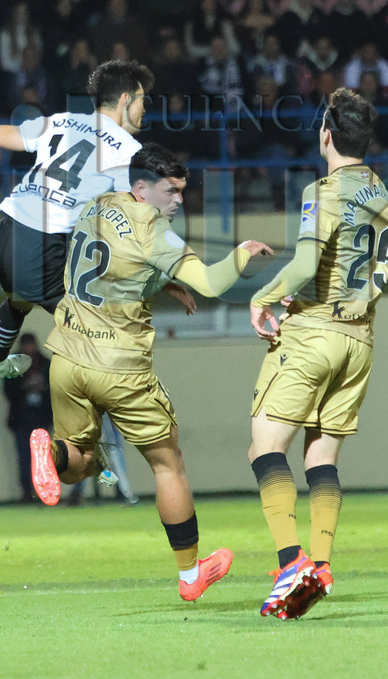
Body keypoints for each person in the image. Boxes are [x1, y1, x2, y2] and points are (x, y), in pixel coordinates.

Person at [28, 143, 274, 599]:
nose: (178, 200)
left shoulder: (98, 204)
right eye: (170, 191)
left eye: (182, 191)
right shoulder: (156, 232)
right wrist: (241, 254)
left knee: (79, 464)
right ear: (141, 189)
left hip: (65, 356)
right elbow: (214, 284)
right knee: (168, 464)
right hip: (119, 368)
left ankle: (51, 453)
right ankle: (189, 574)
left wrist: (164, 282)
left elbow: (116, 264)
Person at [0, 60, 195, 391]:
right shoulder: (128, 152)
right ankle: (102, 432)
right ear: (125, 100)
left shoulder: (62, 121)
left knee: (20, 300)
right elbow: (142, 224)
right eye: (142, 101)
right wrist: (166, 276)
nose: (144, 110)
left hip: (3, 237)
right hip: (39, 247)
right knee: (98, 332)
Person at [246, 87, 388, 620]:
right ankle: (322, 566)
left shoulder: (324, 189)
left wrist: (264, 295)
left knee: (264, 447)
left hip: (314, 334)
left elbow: (308, 265)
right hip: (360, 339)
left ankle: (291, 563)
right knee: (321, 456)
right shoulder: (380, 191)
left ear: (325, 134)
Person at [4, 333, 51, 501]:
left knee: (42, 458)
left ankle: (44, 491)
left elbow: (54, 387)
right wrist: (25, 387)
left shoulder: (45, 364)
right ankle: (26, 491)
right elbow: (8, 391)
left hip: (41, 416)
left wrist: (42, 387)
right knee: (24, 457)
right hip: (21, 417)